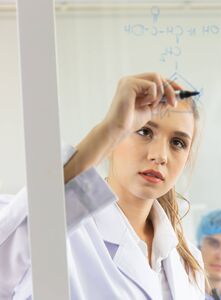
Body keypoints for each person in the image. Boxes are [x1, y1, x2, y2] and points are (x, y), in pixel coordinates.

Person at [0, 73, 205, 299]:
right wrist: (111, 128)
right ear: (114, 141)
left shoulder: (189, 265)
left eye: (178, 143)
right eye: (144, 132)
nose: (160, 156)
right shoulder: (63, 232)